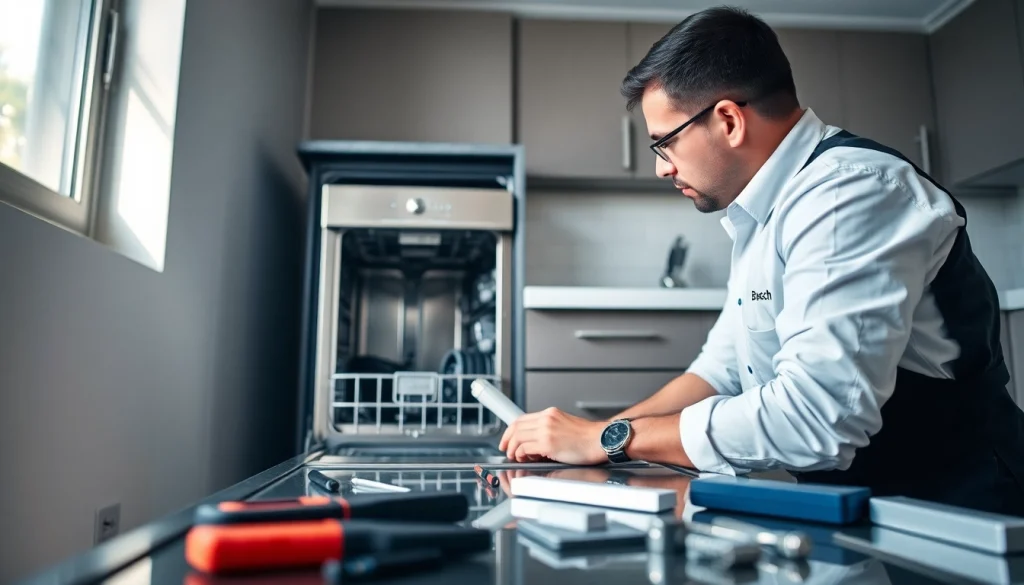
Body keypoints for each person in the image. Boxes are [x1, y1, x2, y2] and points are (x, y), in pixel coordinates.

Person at [499, 6, 1024, 515]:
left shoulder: (849, 193)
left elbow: (817, 417)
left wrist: (611, 438)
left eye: (665, 144)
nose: (662, 168)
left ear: (727, 119)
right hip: (869, 503)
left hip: (962, 508)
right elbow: (721, 371)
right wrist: (594, 439)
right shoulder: (763, 212)